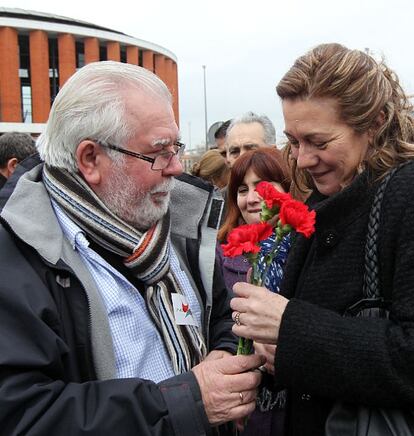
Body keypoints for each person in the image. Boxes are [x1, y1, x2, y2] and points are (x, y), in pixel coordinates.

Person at [0, 61, 264, 436]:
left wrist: (221, 353)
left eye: (177, 147)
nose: (176, 168)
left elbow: (219, 312)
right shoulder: (17, 258)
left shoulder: (179, 224)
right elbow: (24, 417)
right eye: (159, 152)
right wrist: (186, 402)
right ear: (90, 159)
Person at [230, 43, 414, 436]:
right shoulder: (323, 201)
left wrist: (290, 328)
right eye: (294, 141)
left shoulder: (405, 197)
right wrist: (277, 353)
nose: (301, 158)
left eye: (319, 141)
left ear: (374, 122)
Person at [217, 148, 292, 435]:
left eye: (262, 186)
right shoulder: (221, 256)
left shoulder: (306, 251)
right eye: (242, 189)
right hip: (243, 410)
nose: (251, 198)